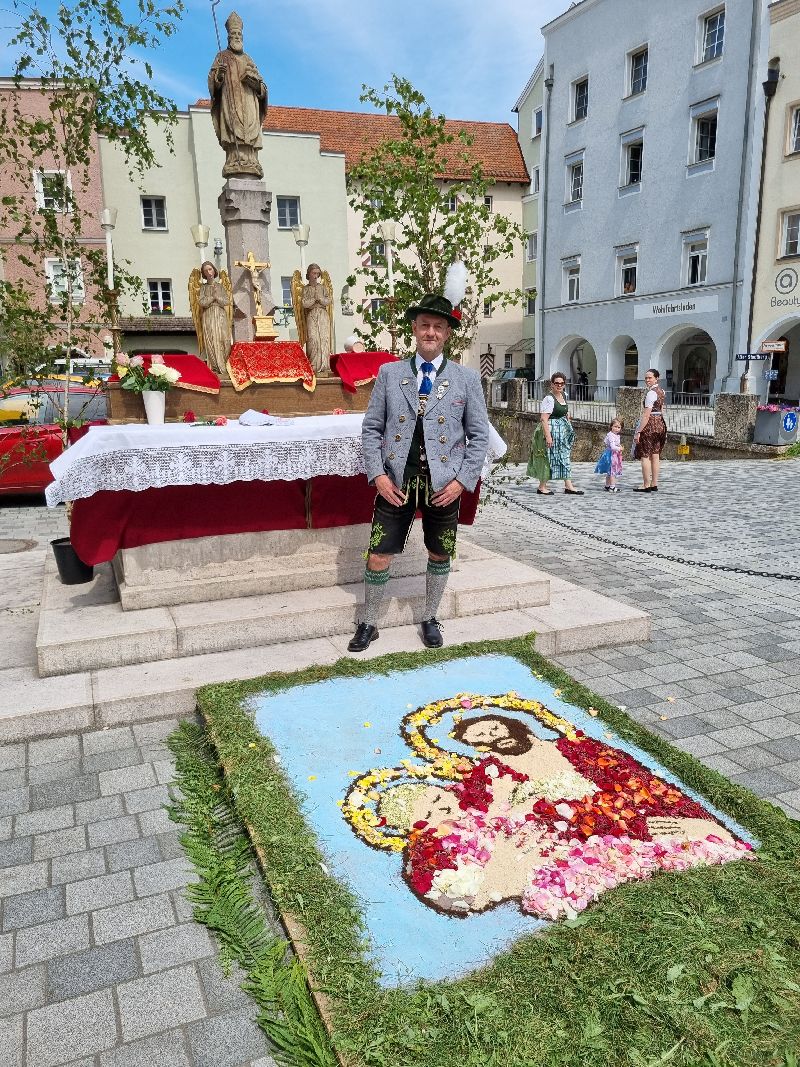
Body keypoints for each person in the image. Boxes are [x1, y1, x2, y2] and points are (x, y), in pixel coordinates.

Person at [348, 292, 489, 652]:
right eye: (425, 325)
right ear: (414, 328)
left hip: (444, 485)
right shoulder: (390, 373)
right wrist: (378, 476)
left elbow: (479, 436)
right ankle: (369, 622)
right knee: (378, 553)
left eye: (438, 327)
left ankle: (429, 617)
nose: (431, 332)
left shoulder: (466, 378)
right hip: (396, 482)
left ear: (447, 333)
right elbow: (371, 429)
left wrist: (462, 481)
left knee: (440, 553)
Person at [208, 12, 268, 179]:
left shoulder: (248, 59)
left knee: (250, 131)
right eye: (233, 34)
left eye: (239, 34)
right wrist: (219, 76)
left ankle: (251, 161)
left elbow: (263, 86)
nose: (236, 37)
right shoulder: (222, 57)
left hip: (249, 103)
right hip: (231, 104)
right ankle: (234, 160)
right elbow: (213, 83)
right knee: (233, 130)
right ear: (228, 37)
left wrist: (257, 85)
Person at [528, 372, 583, 495]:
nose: (559, 385)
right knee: (548, 457)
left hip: (561, 431)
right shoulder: (549, 399)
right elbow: (544, 419)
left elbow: (565, 413)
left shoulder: (564, 395)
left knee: (564, 456)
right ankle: (542, 487)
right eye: (557, 383)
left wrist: (568, 424)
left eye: (562, 383)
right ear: (552, 384)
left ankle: (568, 486)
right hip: (550, 430)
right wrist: (548, 437)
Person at [633, 368, 667, 493]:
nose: (647, 380)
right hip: (660, 424)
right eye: (646, 378)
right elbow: (662, 410)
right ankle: (654, 484)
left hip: (650, 425)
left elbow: (646, 415)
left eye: (650, 377)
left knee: (645, 455)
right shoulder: (662, 391)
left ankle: (646, 484)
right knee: (655, 455)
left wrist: (638, 431)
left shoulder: (651, 393)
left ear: (656, 378)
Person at [196, 262, 232, 375]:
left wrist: (218, 297)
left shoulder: (220, 286)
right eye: (206, 271)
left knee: (224, 340)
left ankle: (225, 366)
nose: (209, 272)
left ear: (214, 270)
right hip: (209, 315)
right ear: (203, 273)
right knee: (211, 340)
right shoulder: (203, 288)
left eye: (210, 269)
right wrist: (212, 297)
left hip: (220, 315)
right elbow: (201, 302)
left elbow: (227, 301)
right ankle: (215, 368)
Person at [301, 264, 333, 376]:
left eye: (317, 274)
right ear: (309, 274)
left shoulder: (322, 287)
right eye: (314, 273)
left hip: (323, 315)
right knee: (313, 339)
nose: (316, 276)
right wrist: (314, 299)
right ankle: (313, 365)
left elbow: (328, 300)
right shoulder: (305, 289)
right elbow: (304, 304)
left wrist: (321, 299)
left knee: (324, 339)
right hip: (312, 314)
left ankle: (325, 366)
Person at [595, 417, 624, 492]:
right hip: (611, 455)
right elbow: (613, 446)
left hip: (614, 454)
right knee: (612, 471)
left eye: (619, 427)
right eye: (615, 426)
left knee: (610, 471)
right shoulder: (611, 435)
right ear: (611, 426)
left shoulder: (615, 435)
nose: (617, 429)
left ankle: (607, 486)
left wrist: (619, 446)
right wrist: (620, 448)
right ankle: (612, 487)